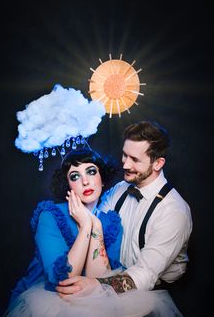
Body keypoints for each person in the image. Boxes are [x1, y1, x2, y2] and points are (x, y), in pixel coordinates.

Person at [56, 121, 192, 315]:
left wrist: (96, 285)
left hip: (151, 294)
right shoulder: (120, 189)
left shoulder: (174, 211)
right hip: (108, 280)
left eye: (135, 159)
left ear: (158, 163)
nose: (125, 164)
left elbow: (144, 275)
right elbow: (95, 226)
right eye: (124, 155)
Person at [5, 148, 124, 316]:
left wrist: (95, 224)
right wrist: (85, 226)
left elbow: (99, 283)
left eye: (91, 172)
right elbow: (63, 280)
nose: (85, 181)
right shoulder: (50, 216)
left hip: (90, 303)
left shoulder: (111, 223)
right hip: (47, 300)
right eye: (75, 176)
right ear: (68, 185)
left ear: (102, 179)